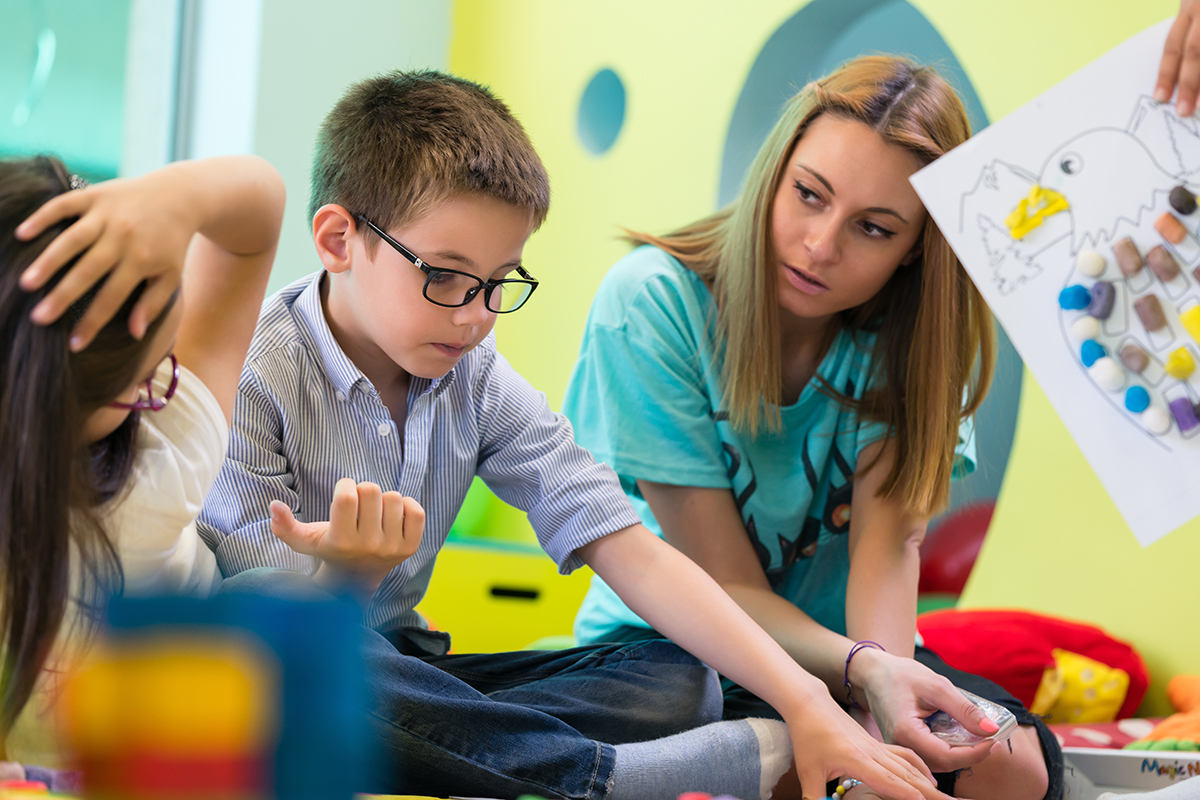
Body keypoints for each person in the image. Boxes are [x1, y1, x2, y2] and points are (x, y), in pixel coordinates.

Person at [197, 69, 973, 800]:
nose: (476, 317)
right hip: (281, 673)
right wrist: (346, 582)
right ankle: (597, 778)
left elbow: (629, 548)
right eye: (445, 276)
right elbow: (268, 633)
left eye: (502, 283)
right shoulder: (250, 373)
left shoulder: (475, 375)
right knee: (301, 669)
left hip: (410, 679)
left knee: (677, 680)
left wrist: (807, 702)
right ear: (338, 240)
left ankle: (461, 752)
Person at [563, 56, 1060, 800]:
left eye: (873, 228)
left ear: (916, 248)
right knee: (741, 742)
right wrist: (862, 684)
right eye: (808, 195)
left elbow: (889, 552)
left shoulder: (915, 343)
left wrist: (885, 715)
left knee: (1014, 771)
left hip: (853, 656)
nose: (821, 245)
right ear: (775, 171)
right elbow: (725, 582)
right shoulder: (651, 303)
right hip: (682, 651)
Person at [0, 154, 286, 781]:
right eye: (144, 384)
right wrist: (175, 198)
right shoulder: (159, 459)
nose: (161, 388)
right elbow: (256, 220)